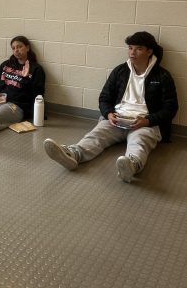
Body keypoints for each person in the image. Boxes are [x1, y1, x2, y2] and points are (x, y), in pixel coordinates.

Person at [44, 31, 178, 183]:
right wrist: (108, 114)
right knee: (97, 135)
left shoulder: (162, 76)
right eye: (130, 48)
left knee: (139, 142)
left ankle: (131, 165)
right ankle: (72, 155)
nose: (132, 52)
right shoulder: (120, 71)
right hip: (117, 119)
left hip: (145, 123)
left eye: (138, 48)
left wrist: (148, 121)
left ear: (149, 51)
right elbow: (104, 98)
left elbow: (171, 108)